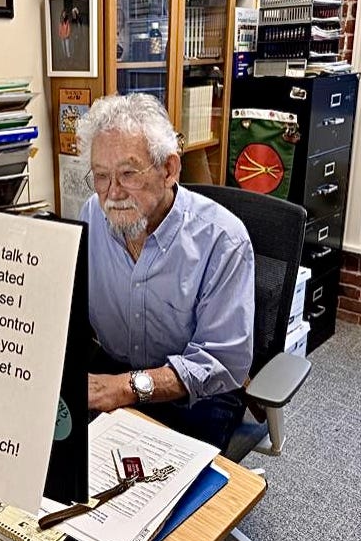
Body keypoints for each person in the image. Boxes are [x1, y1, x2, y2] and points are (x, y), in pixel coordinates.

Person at [75, 93, 255, 452]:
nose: (112, 193)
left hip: (196, 395)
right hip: (114, 367)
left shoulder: (223, 240)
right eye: (101, 176)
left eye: (128, 173)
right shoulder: (92, 215)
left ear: (169, 170)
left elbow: (221, 363)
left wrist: (126, 388)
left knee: (158, 480)